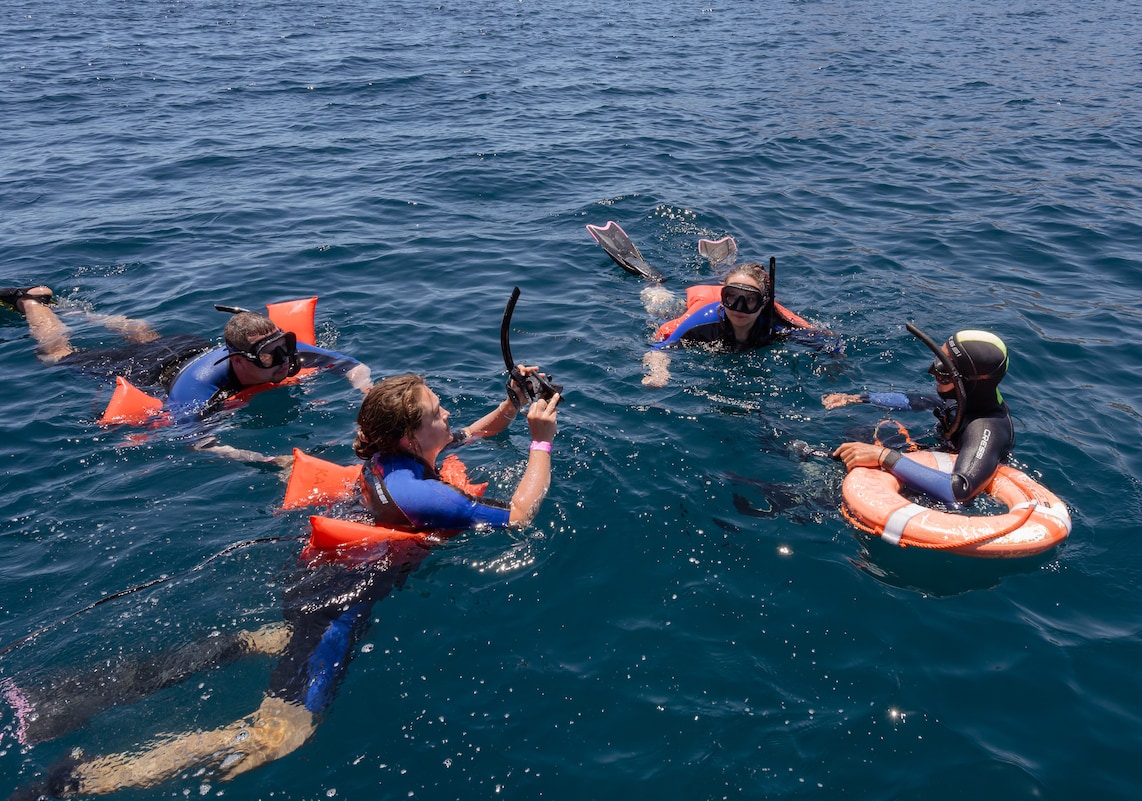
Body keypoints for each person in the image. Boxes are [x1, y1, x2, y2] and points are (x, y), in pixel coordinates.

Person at [5, 369, 558, 799]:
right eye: (438, 412)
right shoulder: (426, 496)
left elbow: (477, 432)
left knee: (281, 641)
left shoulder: (392, 461)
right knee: (281, 737)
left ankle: (229, 651)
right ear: (413, 436)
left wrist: (512, 403)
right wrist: (541, 443)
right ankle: (79, 781)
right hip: (341, 601)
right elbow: (519, 515)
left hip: (315, 578)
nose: (449, 415)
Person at [2, 285, 372, 462]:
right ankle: (29, 300)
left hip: (188, 346)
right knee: (57, 355)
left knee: (146, 333)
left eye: (283, 348)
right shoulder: (200, 390)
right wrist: (266, 461)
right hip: (153, 370)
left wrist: (367, 393)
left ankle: (86, 313)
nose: (282, 361)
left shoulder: (280, 351)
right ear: (239, 361)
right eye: (268, 356)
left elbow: (353, 366)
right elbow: (198, 441)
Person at [824, 328, 1013, 506]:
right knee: (856, 434)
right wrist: (858, 398)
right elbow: (916, 401)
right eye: (938, 358)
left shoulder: (986, 428)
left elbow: (959, 490)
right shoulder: (963, 396)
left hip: (943, 491)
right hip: (938, 452)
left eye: (944, 368)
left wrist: (884, 456)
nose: (933, 371)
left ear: (969, 381)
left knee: (839, 493)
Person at [641, 262, 838, 387]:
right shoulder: (702, 322)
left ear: (763, 303)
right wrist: (659, 373)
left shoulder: (777, 326)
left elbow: (828, 346)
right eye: (731, 297)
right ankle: (655, 284)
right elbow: (659, 349)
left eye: (749, 300)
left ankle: (720, 266)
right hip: (700, 305)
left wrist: (831, 365)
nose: (739, 308)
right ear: (723, 298)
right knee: (661, 311)